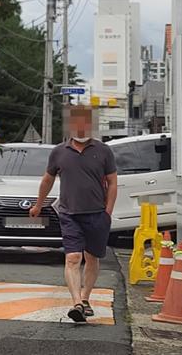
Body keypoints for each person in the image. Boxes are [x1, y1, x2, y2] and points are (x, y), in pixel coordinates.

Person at [30, 106, 117, 323]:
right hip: (69, 214)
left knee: (92, 257)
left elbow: (113, 182)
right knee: (73, 258)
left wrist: (108, 211)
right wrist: (38, 205)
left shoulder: (103, 151)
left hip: (97, 213)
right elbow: (47, 180)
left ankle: (86, 298)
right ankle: (76, 303)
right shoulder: (59, 152)